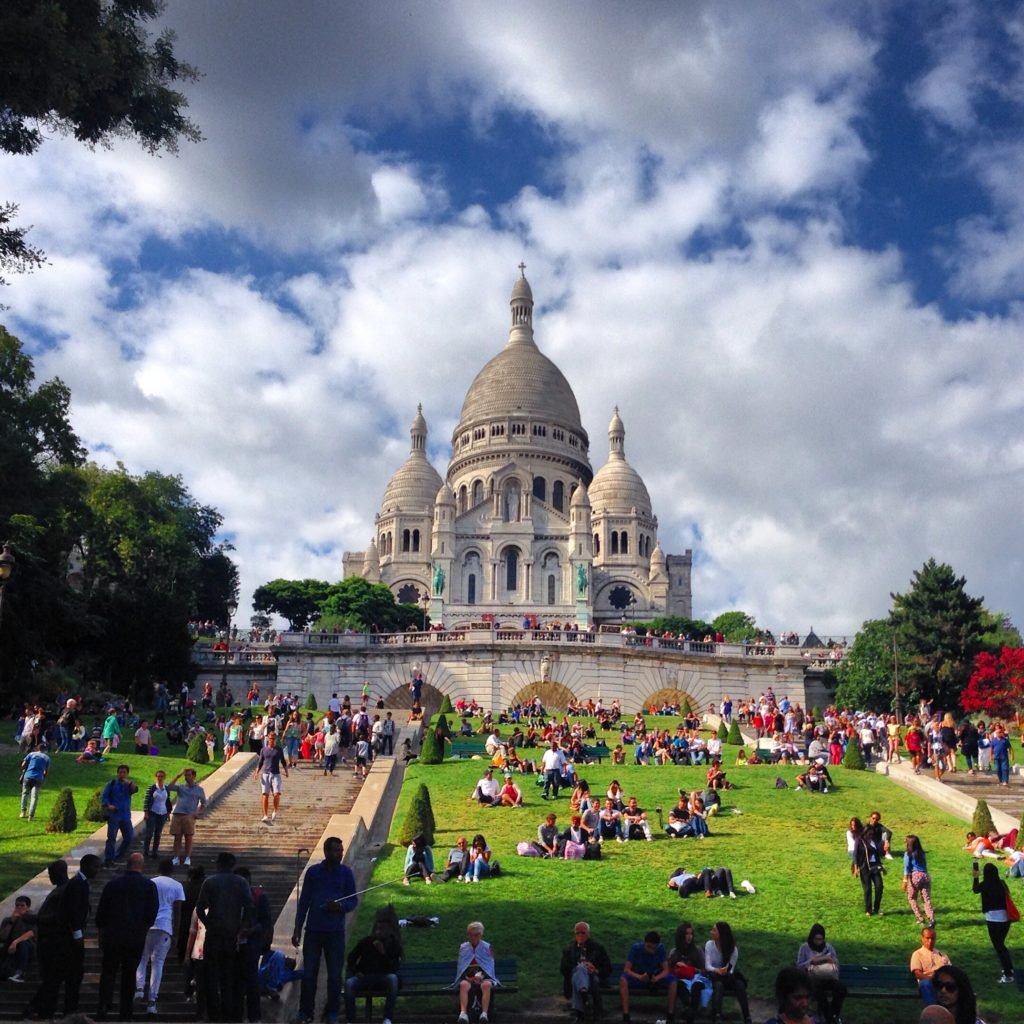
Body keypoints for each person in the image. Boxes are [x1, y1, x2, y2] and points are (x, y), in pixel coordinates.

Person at [293, 837, 358, 1024]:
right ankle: (305, 1012)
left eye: (341, 850)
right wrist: (297, 928)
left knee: (335, 975)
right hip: (313, 930)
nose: (340, 853)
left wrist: (340, 906)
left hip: (335, 932)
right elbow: (304, 901)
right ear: (326, 852)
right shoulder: (313, 873)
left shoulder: (346, 873)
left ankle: (331, 1013)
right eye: (336, 850)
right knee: (309, 974)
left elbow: (353, 900)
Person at [95, 852, 159, 1021]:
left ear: (127, 865)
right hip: (135, 937)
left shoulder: (112, 884)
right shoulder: (148, 886)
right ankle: (126, 1013)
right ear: (141, 866)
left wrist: (101, 931)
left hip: (113, 935)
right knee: (129, 974)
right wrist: (143, 927)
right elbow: (152, 912)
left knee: (108, 972)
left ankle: (103, 1005)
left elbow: (102, 911)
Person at [198, 851, 256, 1022]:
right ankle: (229, 1014)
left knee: (211, 977)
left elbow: (200, 908)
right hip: (231, 935)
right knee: (228, 977)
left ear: (218, 864)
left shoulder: (210, 882)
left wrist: (208, 924)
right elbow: (250, 906)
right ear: (232, 865)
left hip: (214, 934)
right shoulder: (241, 882)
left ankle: (213, 1015)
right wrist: (243, 926)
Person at [133, 857, 184, 1015]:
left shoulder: (150, 882)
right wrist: (176, 931)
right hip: (165, 926)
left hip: (147, 924)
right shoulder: (177, 885)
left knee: (142, 958)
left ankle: (139, 988)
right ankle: (152, 999)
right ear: (173, 871)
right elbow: (177, 910)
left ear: (158, 869)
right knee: (158, 963)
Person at [344, 918, 402, 1024]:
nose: (378, 932)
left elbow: (393, 968)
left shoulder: (394, 945)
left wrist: (383, 953)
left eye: (382, 929)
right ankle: (350, 1020)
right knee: (349, 983)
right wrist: (355, 970)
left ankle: (387, 1018)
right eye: (377, 929)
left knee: (393, 979)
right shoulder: (366, 942)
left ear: (389, 931)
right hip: (365, 978)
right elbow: (351, 958)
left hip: (383, 978)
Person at [618, 929, 677, 1023]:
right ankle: (626, 1014)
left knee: (673, 981)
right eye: (649, 947)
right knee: (623, 980)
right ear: (644, 943)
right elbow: (627, 969)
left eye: (654, 948)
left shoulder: (660, 949)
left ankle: (670, 1013)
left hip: (654, 977)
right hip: (639, 977)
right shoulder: (635, 948)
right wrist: (639, 977)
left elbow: (666, 970)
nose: (651, 950)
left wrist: (657, 978)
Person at [972, 861, 1014, 983]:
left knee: (999, 947)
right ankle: (1008, 968)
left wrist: (975, 877)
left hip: (993, 920)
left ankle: (1008, 974)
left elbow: (975, 890)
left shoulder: (985, 885)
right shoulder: (1002, 883)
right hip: (1006, 920)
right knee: (1001, 945)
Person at [560, 921, 612, 1022]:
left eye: (583, 933)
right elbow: (563, 969)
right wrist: (577, 968)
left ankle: (580, 1014)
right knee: (579, 971)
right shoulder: (568, 950)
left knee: (579, 975)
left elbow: (608, 969)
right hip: (574, 977)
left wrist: (595, 969)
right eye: (577, 933)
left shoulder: (598, 948)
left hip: (594, 977)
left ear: (588, 934)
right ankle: (586, 1001)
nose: (580, 935)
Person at [796, 924, 846, 1024]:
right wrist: (811, 961)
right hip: (811, 979)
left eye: (821, 939)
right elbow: (799, 966)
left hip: (828, 978)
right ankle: (830, 1019)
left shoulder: (829, 947)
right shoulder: (805, 947)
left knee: (842, 988)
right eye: (816, 939)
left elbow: (836, 965)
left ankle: (832, 1015)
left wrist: (828, 959)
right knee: (817, 989)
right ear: (811, 937)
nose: (819, 942)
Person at [704, 921, 752, 1024]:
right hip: (714, 975)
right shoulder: (709, 945)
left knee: (739, 984)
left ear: (721, 933)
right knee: (718, 985)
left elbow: (731, 968)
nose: (711, 932)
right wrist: (717, 970)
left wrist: (725, 970)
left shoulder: (733, 949)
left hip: (728, 976)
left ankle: (747, 1016)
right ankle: (716, 1015)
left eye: (714, 930)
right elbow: (707, 966)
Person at [453, 920, 500, 1024]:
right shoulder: (463, 947)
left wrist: (481, 977)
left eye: (473, 935)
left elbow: (489, 966)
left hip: (484, 977)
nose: (470, 937)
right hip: (467, 977)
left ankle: (484, 1014)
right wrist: (468, 978)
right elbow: (462, 966)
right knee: (464, 985)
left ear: (479, 935)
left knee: (486, 985)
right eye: (468, 934)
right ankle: (463, 1013)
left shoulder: (487, 947)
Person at [667, 921, 709, 1024]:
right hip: (681, 979)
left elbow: (705, 970)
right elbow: (668, 969)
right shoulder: (674, 952)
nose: (689, 937)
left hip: (696, 978)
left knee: (696, 986)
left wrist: (692, 969)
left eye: (691, 934)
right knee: (679, 985)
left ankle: (690, 1013)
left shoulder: (697, 951)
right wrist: (677, 967)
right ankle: (688, 1010)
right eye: (686, 934)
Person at [167, 766, 208, 865]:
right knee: (177, 837)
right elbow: (169, 787)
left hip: (189, 815)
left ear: (194, 776)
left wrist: (198, 812)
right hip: (178, 814)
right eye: (185, 775)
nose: (186, 777)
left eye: (189, 775)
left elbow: (204, 803)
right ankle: (176, 857)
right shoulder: (181, 787)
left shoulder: (199, 789)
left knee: (188, 837)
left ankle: (187, 858)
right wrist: (178, 775)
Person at [102, 764, 139, 866]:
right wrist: (109, 806)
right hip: (114, 815)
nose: (122, 774)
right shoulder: (112, 784)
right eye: (120, 772)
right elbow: (104, 797)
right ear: (117, 773)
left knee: (129, 837)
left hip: (125, 816)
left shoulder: (129, 785)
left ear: (127, 774)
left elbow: (135, 789)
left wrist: (129, 782)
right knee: (111, 838)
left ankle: (118, 856)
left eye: (124, 772)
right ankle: (109, 859)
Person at [254, 731, 289, 823]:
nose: (272, 740)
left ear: (276, 739)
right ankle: (265, 815)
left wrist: (286, 771)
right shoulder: (264, 750)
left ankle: (275, 810)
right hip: (265, 774)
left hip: (276, 774)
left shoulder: (279, 750)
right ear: (268, 739)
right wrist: (257, 772)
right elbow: (260, 762)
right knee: (265, 795)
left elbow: (283, 761)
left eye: (273, 739)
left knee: (276, 794)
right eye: (270, 738)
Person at [910, 926, 952, 1005]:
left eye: (933, 938)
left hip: (943, 982)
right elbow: (917, 974)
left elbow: (951, 970)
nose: (930, 941)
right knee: (925, 984)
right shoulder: (917, 954)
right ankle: (934, 1011)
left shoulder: (942, 954)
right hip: (928, 982)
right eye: (927, 938)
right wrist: (933, 979)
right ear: (922, 938)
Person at [0, 895, 36, 983]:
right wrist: (11, 922)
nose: (19, 907)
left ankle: (20, 973)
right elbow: (3, 937)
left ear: (28, 907)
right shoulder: (8, 920)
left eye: (22, 905)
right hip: (10, 947)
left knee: (23, 943)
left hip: (28, 947)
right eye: (17, 905)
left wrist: (16, 942)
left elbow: (31, 933)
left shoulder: (33, 919)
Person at [853, 822, 886, 916]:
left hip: (875, 866)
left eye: (872, 834)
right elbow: (855, 855)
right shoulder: (859, 841)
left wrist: (882, 867)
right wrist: (856, 868)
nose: (870, 836)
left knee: (879, 886)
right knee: (867, 889)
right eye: (869, 834)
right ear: (865, 832)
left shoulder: (874, 841)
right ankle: (868, 909)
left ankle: (876, 908)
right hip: (865, 867)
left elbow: (877, 855)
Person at [904, 834, 936, 927]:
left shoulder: (908, 853)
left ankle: (920, 917)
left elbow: (907, 867)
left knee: (912, 897)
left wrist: (905, 880)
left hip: (915, 876)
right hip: (925, 875)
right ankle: (931, 918)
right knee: (926, 899)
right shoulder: (922, 853)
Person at [142, 768, 173, 860]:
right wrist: (146, 812)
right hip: (152, 812)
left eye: (162, 776)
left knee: (158, 833)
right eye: (158, 776)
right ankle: (146, 851)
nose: (160, 778)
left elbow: (167, 801)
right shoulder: (151, 788)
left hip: (162, 813)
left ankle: (155, 852)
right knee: (149, 833)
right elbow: (147, 800)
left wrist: (168, 813)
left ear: (165, 777)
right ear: (156, 777)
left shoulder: (166, 788)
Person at [19, 741, 50, 820]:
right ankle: (31, 816)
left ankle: (23, 812)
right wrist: (44, 777)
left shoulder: (31, 754)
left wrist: (25, 769)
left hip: (28, 776)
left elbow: (23, 764)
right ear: (44, 750)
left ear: (37, 748)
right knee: (34, 797)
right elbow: (46, 772)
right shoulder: (46, 758)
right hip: (38, 778)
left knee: (25, 793)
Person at [667, 866, 739, 899]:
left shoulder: (681, 874)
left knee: (708, 870)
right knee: (688, 882)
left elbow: (680, 869)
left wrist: (683, 870)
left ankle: (730, 891)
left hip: (697, 879)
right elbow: (671, 884)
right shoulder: (673, 878)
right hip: (692, 882)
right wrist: (670, 884)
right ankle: (684, 891)